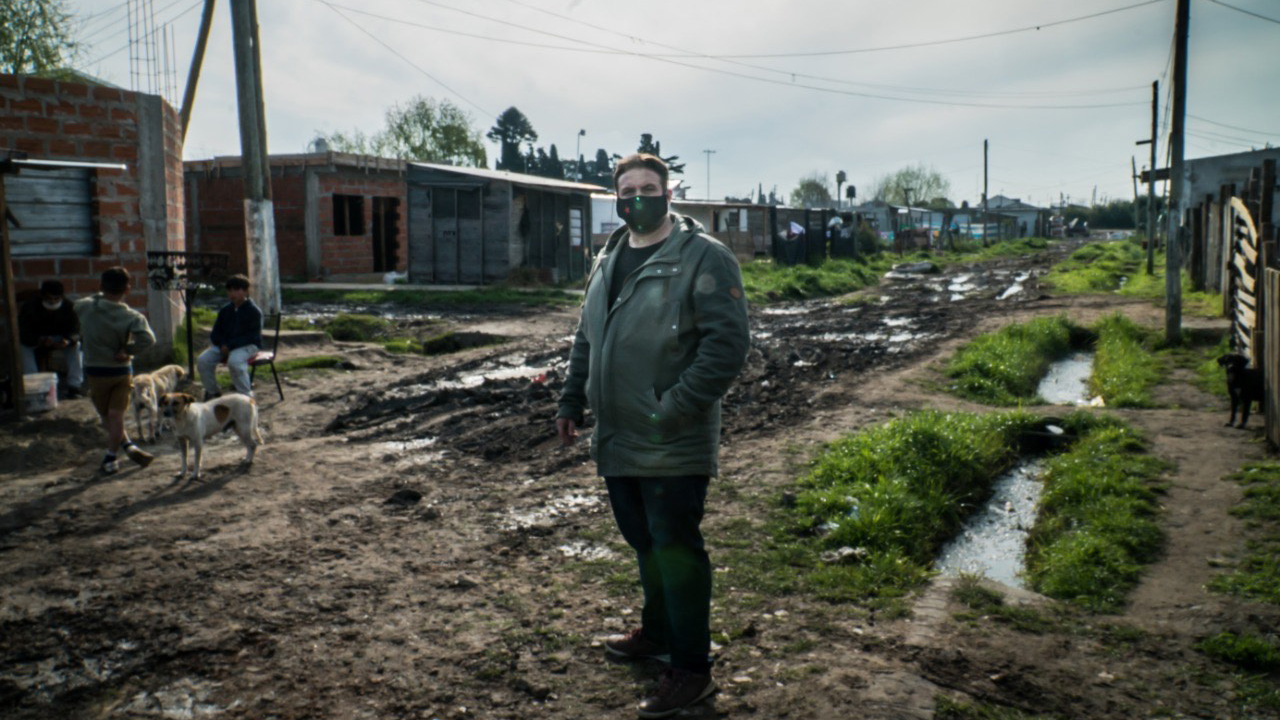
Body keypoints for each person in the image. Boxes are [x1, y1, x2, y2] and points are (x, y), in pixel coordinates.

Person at [556, 153, 750, 719]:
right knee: (645, 542)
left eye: (648, 188)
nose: (637, 198)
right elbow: (586, 339)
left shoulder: (702, 258)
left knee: (677, 550)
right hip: (618, 438)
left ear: (669, 193)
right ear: (616, 198)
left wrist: (674, 408)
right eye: (627, 190)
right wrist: (572, 398)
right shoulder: (608, 257)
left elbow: (727, 346)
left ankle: (691, 670)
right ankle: (658, 632)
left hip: (673, 439)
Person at [75, 266, 156, 475]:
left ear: (101, 286)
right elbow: (148, 339)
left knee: (107, 417)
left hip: (96, 371)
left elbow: (78, 307)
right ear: (127, 290)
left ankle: (111, 456)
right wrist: (128, 350)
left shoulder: (85, 307)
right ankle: (127, 445)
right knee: (116, 415)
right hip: (121, 371)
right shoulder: (132, 316)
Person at [197, 274, 263, 400]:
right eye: (230, 290)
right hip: (224, 346)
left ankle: (245, 396)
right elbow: (215, 332)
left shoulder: (254, 311)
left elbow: (251, 336)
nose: (233, 294)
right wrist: (222, 344)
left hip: (248, 346)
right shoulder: (225, 310)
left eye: (237, 290)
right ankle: (213, 392)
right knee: (203, 360)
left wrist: (230, 345)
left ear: (245, 291)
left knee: (235, 362)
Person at [19, 280, 84, 398]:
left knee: (76, 347)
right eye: (49, 298)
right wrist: (39, 341)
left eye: (56, 299)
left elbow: (76, 330)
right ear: (42, 296)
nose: (53, 302)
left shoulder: (69, 307)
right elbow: (23, 332)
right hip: (36, 338)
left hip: (60, 338)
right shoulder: (30, 307)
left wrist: (67, 340)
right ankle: (34, 387)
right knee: (23, 348)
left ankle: (75, 386)